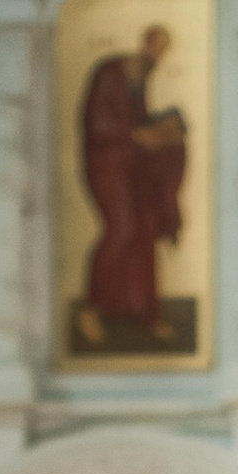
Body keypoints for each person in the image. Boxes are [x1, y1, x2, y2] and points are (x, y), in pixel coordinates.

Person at [73, 24, 187, 348]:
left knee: (143, 231)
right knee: (121, 229)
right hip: (106, 167)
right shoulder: (112, 72)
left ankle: (142, 312)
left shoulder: (141, 78)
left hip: (129, 168)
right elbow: (100, 123)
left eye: (163, 49)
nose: (158, 54)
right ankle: (89, 309)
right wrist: (140, 135)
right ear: (144, 41)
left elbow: (135, 122)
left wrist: (163, 128)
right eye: (156, 45)